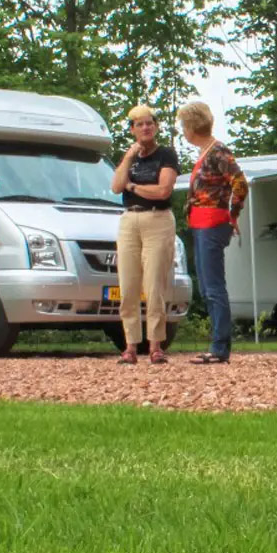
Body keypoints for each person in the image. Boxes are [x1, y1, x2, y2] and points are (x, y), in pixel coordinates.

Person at [178, 101, 248, 364]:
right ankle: (218, 344)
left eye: (184, 126)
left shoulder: (218, 151)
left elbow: (240, 184)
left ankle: (220, 348)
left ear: (191, 127)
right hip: (201, 223)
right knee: (207, 286)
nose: (183, 131)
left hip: (212, 222)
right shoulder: (207, 152)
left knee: (214, 287)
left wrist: (233, 215)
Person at [110, 105, 180, 364]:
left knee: (154, 285)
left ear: (157, 126)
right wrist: (128, 158)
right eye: (139, 124)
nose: (146, 128)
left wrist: (132, 186)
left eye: (149, 123)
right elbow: (115, 186)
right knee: (128, 285)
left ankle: (155, 345)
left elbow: (163, 191)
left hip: (157, 219)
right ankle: (130, 346)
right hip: (130, 219)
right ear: (133, 130)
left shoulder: (166, 154)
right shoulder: (130, 157)